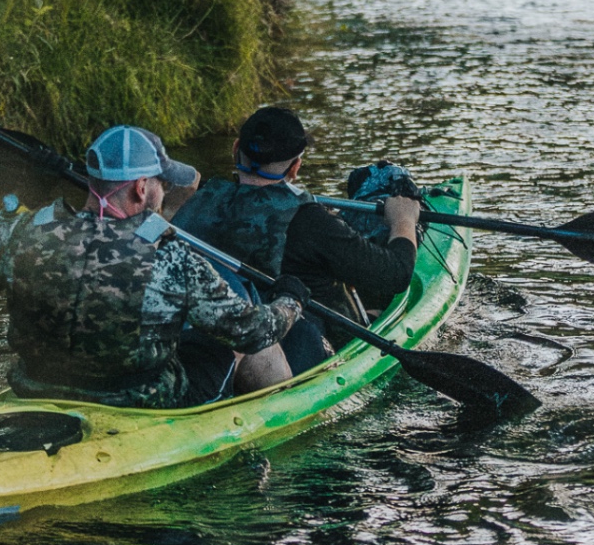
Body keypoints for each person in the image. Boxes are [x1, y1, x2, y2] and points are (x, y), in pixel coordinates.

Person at [0, 125, 309, 408]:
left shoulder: (24, 230)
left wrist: (10, 213)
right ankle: (278, 411)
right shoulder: (171, 256)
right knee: (228, 341)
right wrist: (290, 301)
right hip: (142, 401)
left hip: (35, 388)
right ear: (141, 188)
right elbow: (253, 332)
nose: (164, 192)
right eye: (162, 184)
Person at [172, 106, 422, 372]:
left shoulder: (200, 198)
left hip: (205, 335)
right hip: (293, 347)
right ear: (295, 167)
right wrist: (404, 220)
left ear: (235, 150)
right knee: (376, 308)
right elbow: (396, 275)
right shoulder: (310, 221)